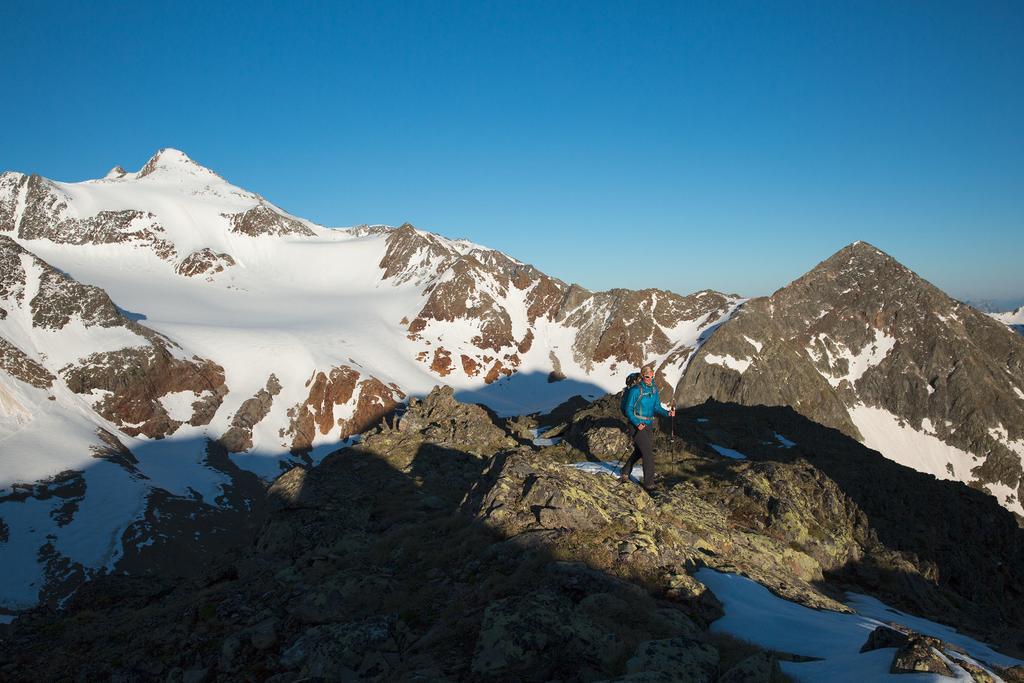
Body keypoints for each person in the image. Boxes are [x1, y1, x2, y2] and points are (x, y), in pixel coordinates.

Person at [620, 364, 675, 489]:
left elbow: (656, 407)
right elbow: (628, 410)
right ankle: (649, 483)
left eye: (652, 376)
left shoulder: (654, 389)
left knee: (640, 451)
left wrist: (668, 413)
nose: (650, 378)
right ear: (642, 377)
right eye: (647, 377)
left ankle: (625, 471)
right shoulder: (635, 390)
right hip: (636, 425)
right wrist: (637, 423)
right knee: (648, 453)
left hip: (649, 424)